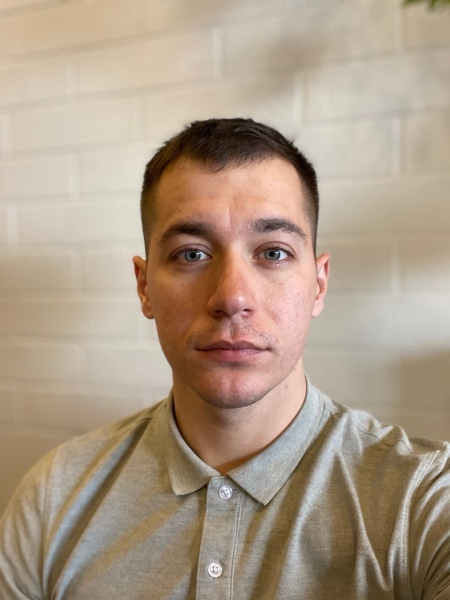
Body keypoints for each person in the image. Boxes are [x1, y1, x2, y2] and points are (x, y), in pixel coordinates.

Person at [0, 118, 449, 600]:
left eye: (273, 253)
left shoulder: (422, 502)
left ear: (318, 284)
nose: (232, 297)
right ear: (144, 287)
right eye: (191, 254)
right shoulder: (55, 497)